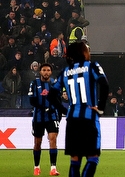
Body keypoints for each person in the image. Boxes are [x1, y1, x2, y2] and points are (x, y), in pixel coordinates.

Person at [57, 41, 108, 177]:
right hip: (89, 118)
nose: (89, 52)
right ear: (82, 52)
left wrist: (64, 110)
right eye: (87, 50)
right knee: (93, 157)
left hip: (72, 119)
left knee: (75, 158)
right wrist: (101, 108)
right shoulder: (92, 66)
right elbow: (104, 85)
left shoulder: (65, 71)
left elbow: (51, 94)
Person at [29, 62, 64, 176]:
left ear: (51, 72)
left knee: (53, 139)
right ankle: (36, 167)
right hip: (38, 117)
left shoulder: (55, 84)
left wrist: (60, 114)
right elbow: (32, 101)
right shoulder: (34, 83)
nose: (46, 72)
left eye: (48, 70)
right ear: (40, 72)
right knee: (37, 143)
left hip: (52, 116)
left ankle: (53, 168)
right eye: (44, 70)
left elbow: (58, 101)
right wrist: (44, 108)